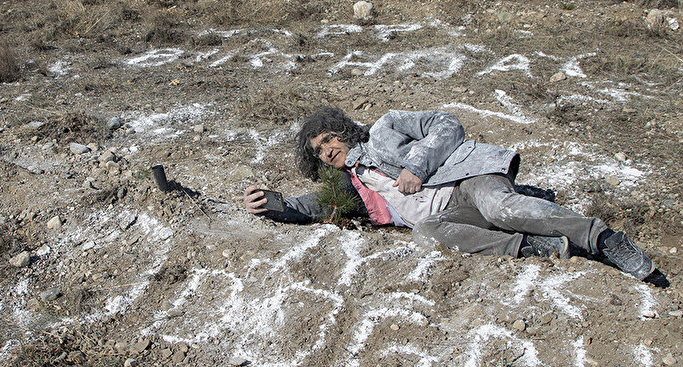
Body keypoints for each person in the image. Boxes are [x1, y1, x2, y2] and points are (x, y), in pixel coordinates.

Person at [243, 107, 655, 281]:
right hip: (448, 216)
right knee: (427, 233)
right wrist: (275, 204)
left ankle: (603, 238)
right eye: (318, 150)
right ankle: (534, 246)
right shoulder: (349, 187)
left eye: (329, 137)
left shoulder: (385, 129)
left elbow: (447, 124)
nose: (327, 149)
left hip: (466, 179)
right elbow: (315, 207)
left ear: (344, 130)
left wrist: (414, 167)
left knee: (500, 206)